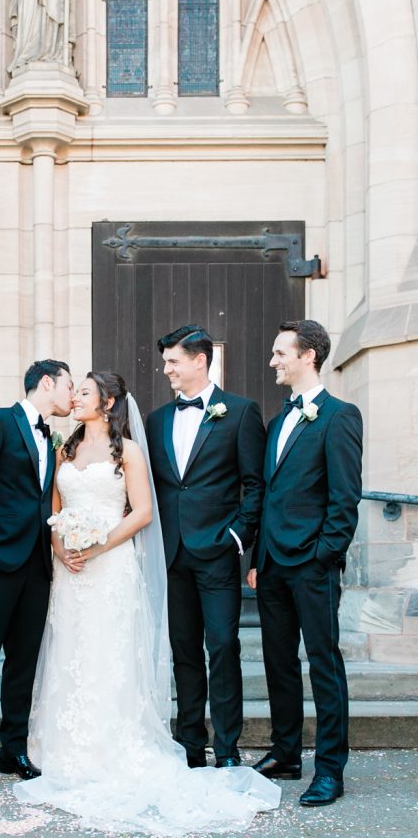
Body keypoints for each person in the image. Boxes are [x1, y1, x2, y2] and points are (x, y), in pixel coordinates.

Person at [16, 372, 280, 834]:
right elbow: (54, 506)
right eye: (72, 390)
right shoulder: (64, 446)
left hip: (111, 564)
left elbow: (142, 512)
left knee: (117, 654)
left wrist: (96, 546)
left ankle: (140, 743)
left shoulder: (130, 450)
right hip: (71, 571)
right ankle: (67, 745)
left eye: (83, 392)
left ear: (108, 401)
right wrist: (61, 547)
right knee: (71, 651)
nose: (74, 397)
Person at [248, 320, 362, 807]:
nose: (272, 361)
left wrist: (323, 557)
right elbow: (272, 496)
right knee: (278, 663)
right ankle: (286, 752)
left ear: (309, 355)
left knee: (323, 664)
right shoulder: (278, 422)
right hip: (272, 564)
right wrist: (258, 558)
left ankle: (331, 769)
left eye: (280, 353)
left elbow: (345, 498)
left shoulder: (339, 416)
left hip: (312, 565)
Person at [146, 325, 266, 768]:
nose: (166, 370)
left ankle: (229, 748)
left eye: (173, 361)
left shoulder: (239, 412)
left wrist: (237, 537)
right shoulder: (156, 420)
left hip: (217, 552)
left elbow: (254, 485)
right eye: (165, 362)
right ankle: (190, 744)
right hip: (171, 555)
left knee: (222, 647)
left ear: (200, 360)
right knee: (183, 653)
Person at [0, 359, 74, 791]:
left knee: (23, 664)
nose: (72, 395)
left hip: (38, 566)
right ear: (47, 383)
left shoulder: (53, 436)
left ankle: (13, 749)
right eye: (68, 386)